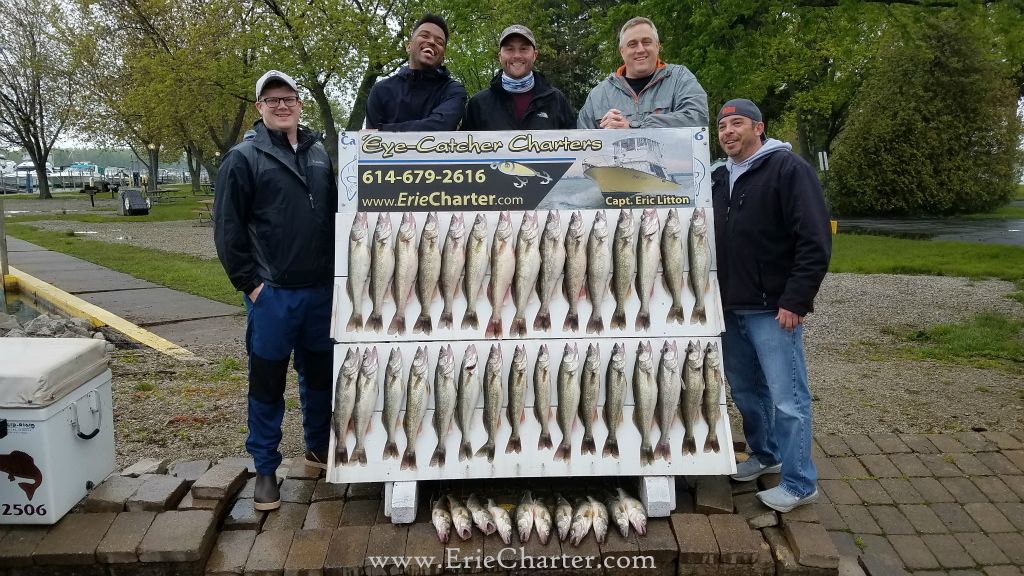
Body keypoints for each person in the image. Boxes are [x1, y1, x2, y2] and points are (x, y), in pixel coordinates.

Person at [214, 70, 337, 511]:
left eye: (288, 98)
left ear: (300, 104)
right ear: (260, 108)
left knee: (320, 378)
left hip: (320, 293)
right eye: (272, 99)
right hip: (273, 296)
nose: (282, 105)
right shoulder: (243, 158)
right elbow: (228, 229)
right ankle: (265, 469)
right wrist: (251, 285)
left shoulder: (319, 152)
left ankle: (318, 448)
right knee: (267, 384)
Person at [712, 98, 832, 513]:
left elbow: (815, 239)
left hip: (773, 309)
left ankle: (800, 482)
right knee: (747, 392)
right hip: (728, 308)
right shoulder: (715, 177)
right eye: (722, 126)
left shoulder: (788, 169)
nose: (728, 132)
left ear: (759, 128)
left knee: (788, 397)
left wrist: (796, 299)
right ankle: (764, 454)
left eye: (737, 123)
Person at [577, 17, 708, 130]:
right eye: (632, 44)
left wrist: (636, 127)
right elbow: (583, 142)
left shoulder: (680, 78)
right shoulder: (598, 95)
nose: (640, 49)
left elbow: (697, 119)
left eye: (646, 42)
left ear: (657, 46)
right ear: (622, 51)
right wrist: (605, 136)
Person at [365, 13, 467, 131]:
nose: (432, 42)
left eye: (439, 42)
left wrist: (382, 131)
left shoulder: (453, 90)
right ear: (408, 47)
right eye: (424, 35)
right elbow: (370, 143)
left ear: (443, 58)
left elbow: (440, 127)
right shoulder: (381, 90)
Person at [462, 24, 575, 130]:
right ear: (500, 57)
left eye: (523, 49)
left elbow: (573, 146)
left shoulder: (556, 100)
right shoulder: (478, 104)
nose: (516, 55)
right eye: (509, 49)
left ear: (534, 55)